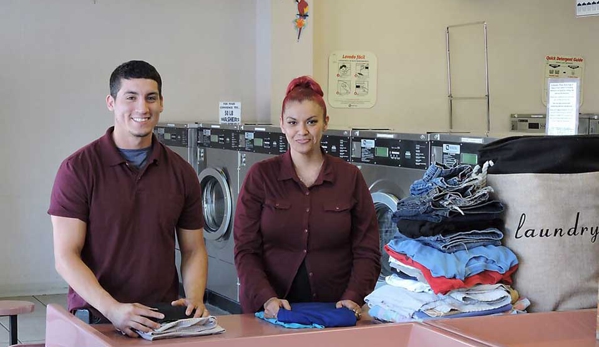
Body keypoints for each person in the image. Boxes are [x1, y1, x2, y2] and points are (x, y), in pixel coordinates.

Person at [48, 60, 209, 337]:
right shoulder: (78, 169)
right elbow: (66, 256)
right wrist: (112, 309)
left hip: (160, 319)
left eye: (151, 98)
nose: (142, 108)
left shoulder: (181, 173)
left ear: (161, 103)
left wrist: (194, 299)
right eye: (130, 97)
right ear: (111, 102)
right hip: (97, 319)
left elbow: (193, 249)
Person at [233, 76, 381, 318]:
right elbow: (245, 249)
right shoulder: (261, 176)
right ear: (282, 124)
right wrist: (266, 298)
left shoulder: (349, 177)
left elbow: (367, 250)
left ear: (325, 123)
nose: (302, 131)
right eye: (293, 122)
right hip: (269, 309)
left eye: (311, 122)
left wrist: (353, 296)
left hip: (335, 308)